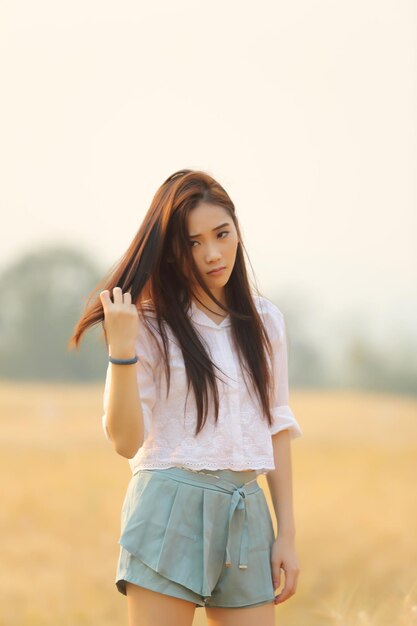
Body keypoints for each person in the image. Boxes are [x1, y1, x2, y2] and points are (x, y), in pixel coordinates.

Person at [69, 169, 303, 626]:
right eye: (192, 242)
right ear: (173, 253)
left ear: (237, 230)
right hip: (169, 507)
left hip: (246, 510)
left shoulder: (266, 322)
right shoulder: (150, 325)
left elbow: (275, 425)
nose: (212, 253)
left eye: (221, 234)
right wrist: (122, 351)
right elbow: (125, 442)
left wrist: (287, 535)